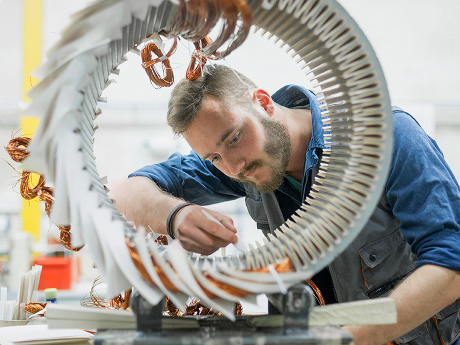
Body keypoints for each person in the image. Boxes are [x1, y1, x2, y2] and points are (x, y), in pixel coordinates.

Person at [110, 64, 460, 345]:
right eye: (214, 157)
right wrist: (175, 215)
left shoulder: (387, 137)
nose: (233, 167)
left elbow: (451, 267)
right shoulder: (238, 162)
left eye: (234, 139)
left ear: (263, 102)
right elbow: (128, 191)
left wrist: (356, 338)